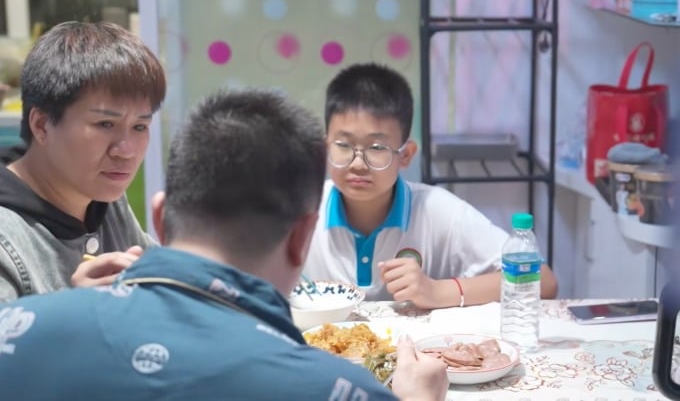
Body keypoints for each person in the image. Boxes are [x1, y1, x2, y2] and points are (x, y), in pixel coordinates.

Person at [0, 89, 448, 401]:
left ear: (160, 215)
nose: (123, 147)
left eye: (139, 126)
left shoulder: (15, 330)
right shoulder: (338, 389)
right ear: (301, 237)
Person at [303, 63, 558, 309]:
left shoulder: (439, 211)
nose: (358, 164)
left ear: (406, 154)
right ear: (325, 147)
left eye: (377, 147)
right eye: (344, 145)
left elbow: (542, 281)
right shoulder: (299, 212)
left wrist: (438, 291)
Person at [0, 21, 166, 302]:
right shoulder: (7, 239)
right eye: (105, 124)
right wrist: (75, 316)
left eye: (140, 126)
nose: (125, 150)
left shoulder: (103, 198)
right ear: (41, 125)